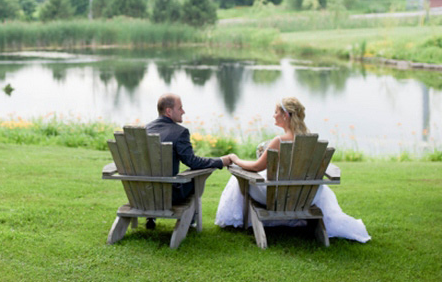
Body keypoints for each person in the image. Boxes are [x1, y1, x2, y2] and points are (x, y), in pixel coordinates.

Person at [215, 96, 371, 243]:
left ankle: (238, 221)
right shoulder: (310, 139)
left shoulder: (279, 140)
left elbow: (256, 167)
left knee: (238, 179)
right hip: (306, 196)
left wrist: (235, 159)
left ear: (285, 115)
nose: (273, 115)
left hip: (276, 196)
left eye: (276, 112)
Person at [145, 93, 231, 229]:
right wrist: (221, 161)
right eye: (180, 108)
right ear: (169, 111)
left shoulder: (145, 130)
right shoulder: (180, 132)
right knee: (196, 179)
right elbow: (193, 162)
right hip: (169, 195)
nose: (183, 111)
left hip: (143, 194)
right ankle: (190, 220)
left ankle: (151, 217)